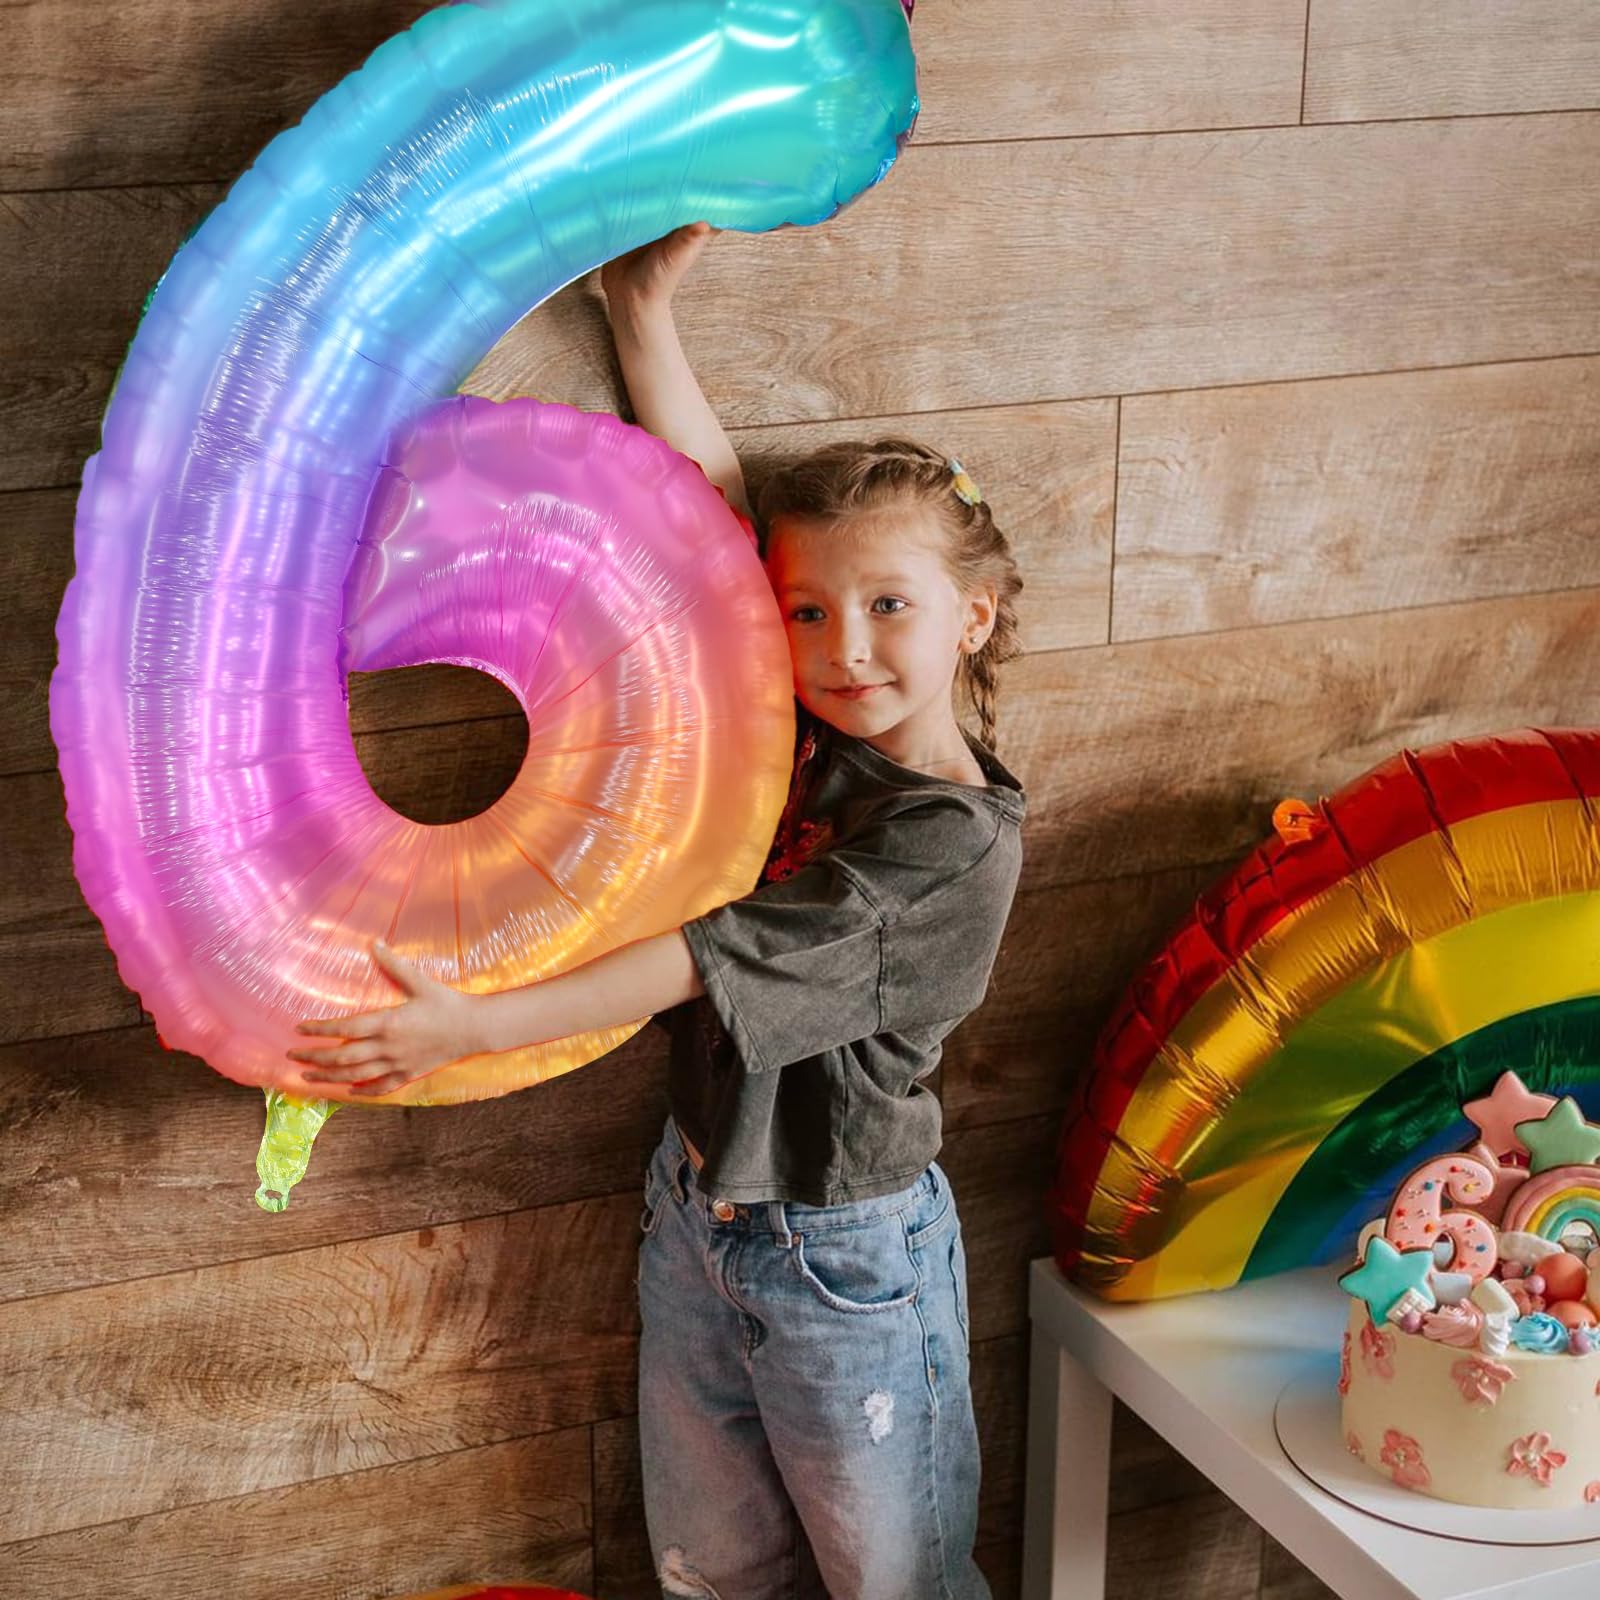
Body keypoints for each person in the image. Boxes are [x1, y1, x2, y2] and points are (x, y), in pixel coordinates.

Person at [289, 221, 1026, 1600]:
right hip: (699, 1207)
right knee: (711, 1569)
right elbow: (717, 511)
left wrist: (473, 1025)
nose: (842, 648)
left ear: (973, 616)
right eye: (807, 613)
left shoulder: (949, 849)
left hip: (844, 1252)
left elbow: (705, 962)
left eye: (888, 607)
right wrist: (643, 315)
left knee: (895, 1583)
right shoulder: (809, 724)